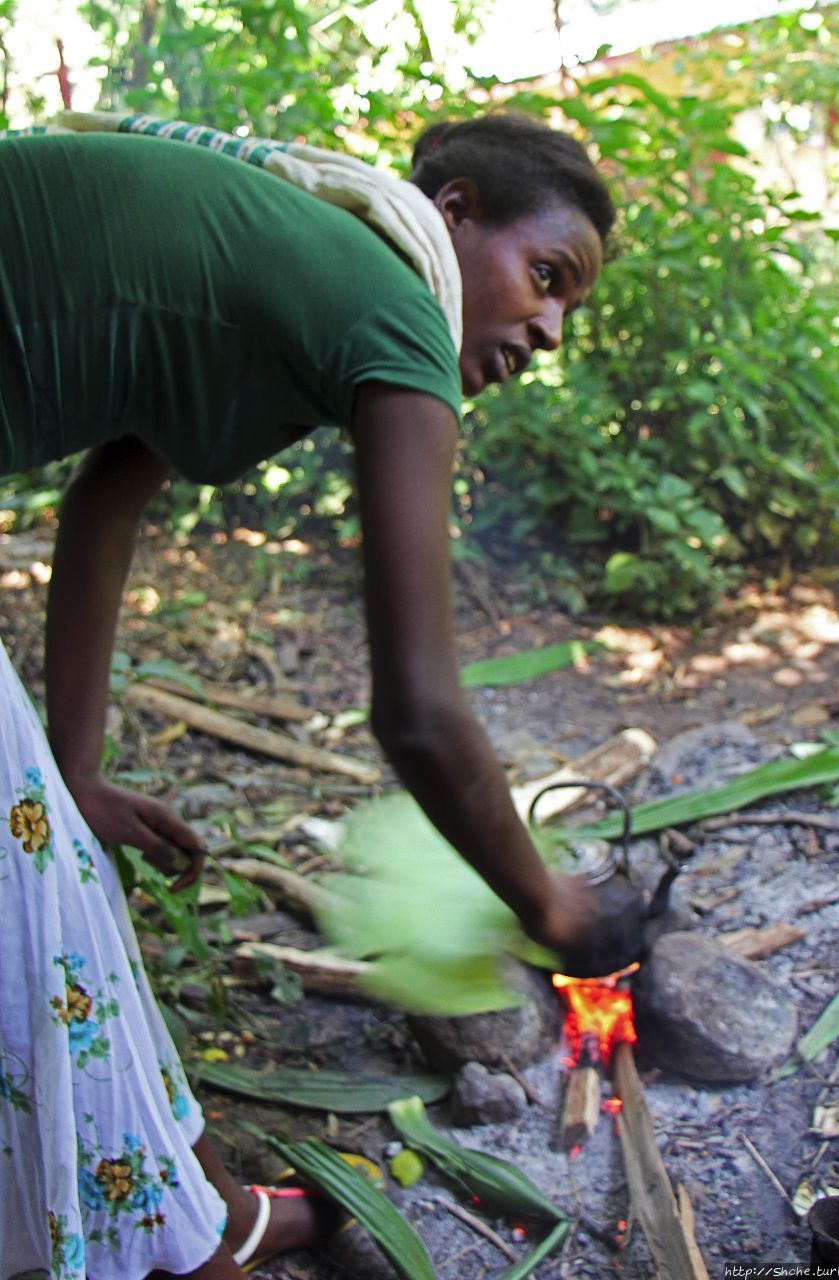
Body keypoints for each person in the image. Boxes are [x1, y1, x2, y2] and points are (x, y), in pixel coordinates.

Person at [0, 111, 646, 1278]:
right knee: (20, 882)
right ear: (451, 216)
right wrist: (553, 906)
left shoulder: (311, 271)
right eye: (546, 277)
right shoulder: (390, 302)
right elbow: (419, 711)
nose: (549, 329)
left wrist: (76, 766)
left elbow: (108, 493)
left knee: (43, 855)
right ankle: (172, 1240)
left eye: (569, 309)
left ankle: (186, 1203)